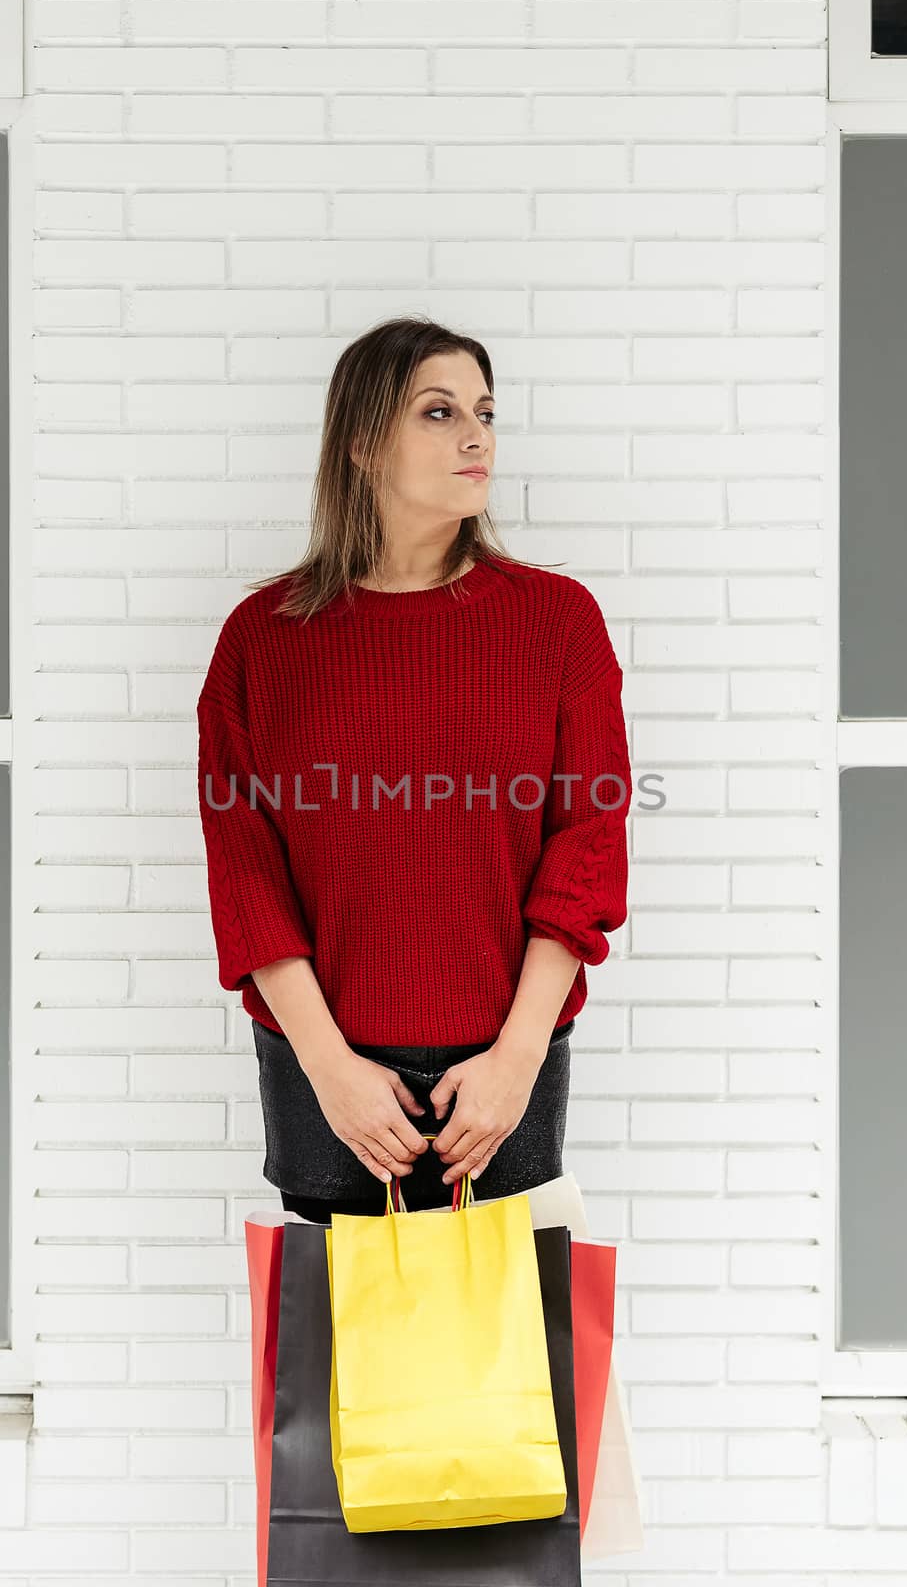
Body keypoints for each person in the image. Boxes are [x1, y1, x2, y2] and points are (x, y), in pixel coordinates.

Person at [197, 316, 631, 1224]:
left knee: (516, 1360)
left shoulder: (557, 623)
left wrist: (515, 1063)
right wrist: (330, 1070)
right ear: (363, 443)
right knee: (336, 1363)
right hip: (326, 1070)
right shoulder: (261, 642)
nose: (476, 436)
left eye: (484, 411)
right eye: (438, 413)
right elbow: (246, 872)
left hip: (507, 1064)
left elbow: (585, 844)